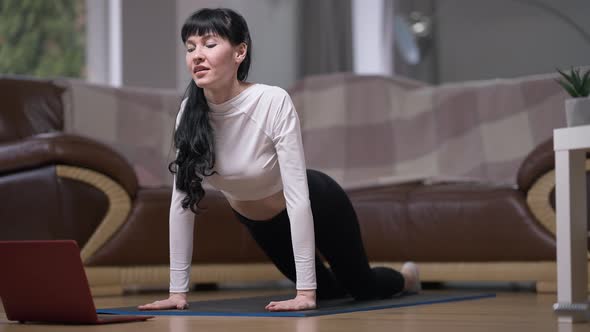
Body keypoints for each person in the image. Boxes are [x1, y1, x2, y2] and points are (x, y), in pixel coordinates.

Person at [139, 7, 420, 312]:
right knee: (328, 293)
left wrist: (304, 293)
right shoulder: (190, 113)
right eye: (190, 47)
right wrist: (177, 292)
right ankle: (327, 286)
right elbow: (182, 203)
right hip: (261, 222)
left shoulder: (271, 101)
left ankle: (406, 278)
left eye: (209, 44)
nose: (197, 55)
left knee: (361, 288)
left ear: (239, 52)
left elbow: (298, 197)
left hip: (318, 202)